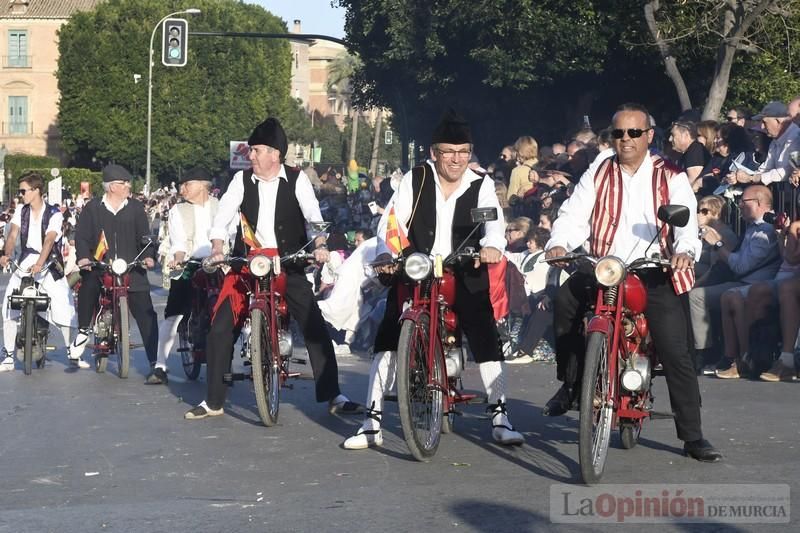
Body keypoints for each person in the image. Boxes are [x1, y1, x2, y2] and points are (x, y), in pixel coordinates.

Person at [544, 102, 722, 462]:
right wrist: (559, 241)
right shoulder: (598, 169)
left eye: (634, 133)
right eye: (618, 133)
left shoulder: (670, 174)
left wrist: (684, 251)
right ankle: (571, 383)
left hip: (652, 270)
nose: (625, 140)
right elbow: (574, 214)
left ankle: (692, 436)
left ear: (649, 136)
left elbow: (686, 226)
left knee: (675, 350)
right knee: (564, 300)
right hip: (604, 266)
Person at [342, 109, 525, 450]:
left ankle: (500, 415)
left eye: (463, 152)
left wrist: (491, 247)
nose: (456, 160)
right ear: (434, 153)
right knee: (388, 332)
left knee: (484, 328)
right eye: (449, 152)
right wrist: (387, 252)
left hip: (463, 266)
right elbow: (392, 222)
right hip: (418, 267)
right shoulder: (416, 178)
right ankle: (372, 420)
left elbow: (494, 226)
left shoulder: (481, 184)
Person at [184, 117, 362, 420]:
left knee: (313, 325)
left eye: (255, 150)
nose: (250, 156)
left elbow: (313, 216)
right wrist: (217, 247)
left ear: (274, 154)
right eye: (251, 151)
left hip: (287, 262)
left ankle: (334, 395)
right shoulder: (240, 180)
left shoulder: (296, 179)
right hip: (248, 264)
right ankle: (214, 401)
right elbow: (223, 217)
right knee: (220, 326)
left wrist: (319, 244)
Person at [69, 165, 158, 368]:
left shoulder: (135, 208)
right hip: (100, 266)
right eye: (123, 183)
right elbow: (81, 236)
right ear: (111, 187)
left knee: (145, 310)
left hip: (131, 267)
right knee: (88, 287)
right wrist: (83, 257)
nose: (128, 186)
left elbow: (145, 237)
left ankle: (155, 360)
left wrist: (149, 256)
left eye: (127, 182)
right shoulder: (93, 208)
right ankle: (83, 331)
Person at [146, 167, 221, 385]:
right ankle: (160, 366)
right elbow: (178, 240)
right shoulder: (178, 210)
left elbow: (231, 233)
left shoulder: (221, 207)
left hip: (219, 264)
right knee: (174, 312)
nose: (182, 189)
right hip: (191, 263)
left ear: (202, 185)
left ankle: (225, 360)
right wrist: (178, 257)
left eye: (187, 184)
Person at [0, 172, 76, 371]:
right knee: (9, 303)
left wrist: (40, 264)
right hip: (25, 259)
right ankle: (8, 356)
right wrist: (6, 254)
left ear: (36, 190)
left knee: (63, 302)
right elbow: (12, 234)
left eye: (23, 190)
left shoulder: (54, 213)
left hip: (48, 261)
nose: (21, 194)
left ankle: (72, 352)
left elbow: (50, 240)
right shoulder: (21, 211)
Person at [725, 100, 800, 187]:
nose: (762, 127)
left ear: (778, 121)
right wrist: (740, 177)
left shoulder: (796, 138)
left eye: (764, 122)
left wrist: (751, 178)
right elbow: (765, 168)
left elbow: (788, 170)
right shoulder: (775, 141)